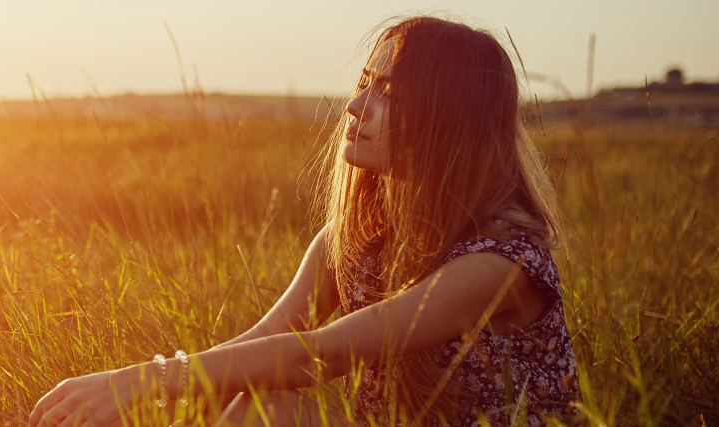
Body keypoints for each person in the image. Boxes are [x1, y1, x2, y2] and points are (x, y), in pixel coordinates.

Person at [28, 15, 581, 427]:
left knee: (266, 411)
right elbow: (266, 345)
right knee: (253, 401)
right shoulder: (355, 240)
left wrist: (140, 381)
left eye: (388, 92)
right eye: (364, 82)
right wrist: (137, 402)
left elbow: (321, 354)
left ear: (448, 117)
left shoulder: (499, 262)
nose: (355, 106)